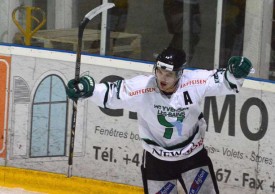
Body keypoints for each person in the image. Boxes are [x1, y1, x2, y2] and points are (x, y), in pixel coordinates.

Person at [66, 47, 252, 194]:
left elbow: (222, 82)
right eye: (160, 71)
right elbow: (113, 93)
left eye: (169, 74)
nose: (162, 78)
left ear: (180, 73)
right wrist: (86, 90)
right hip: (157, 162)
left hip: (192, 158)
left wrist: (235, 74)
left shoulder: (194, 82)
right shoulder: (143, 87)